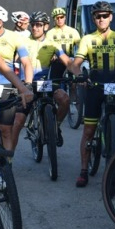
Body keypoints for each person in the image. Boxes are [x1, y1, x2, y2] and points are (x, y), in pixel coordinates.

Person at [69, 0, 115, 187]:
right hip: (94, 87)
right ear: (93, 18)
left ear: (111, 17)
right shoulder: (87, 39)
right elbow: (75, 65)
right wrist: (79, 76)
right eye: (97, 16)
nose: (101, 19)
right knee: (89, 131)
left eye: (105, 15)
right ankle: (84, 170)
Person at [0, 4, 33, 151]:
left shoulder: (14, 37)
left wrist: (27, 85)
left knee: (6, 131)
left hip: (7, 88)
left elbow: (27, 63)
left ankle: (7, 168)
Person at [14, 11, 69, 147]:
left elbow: (68, 61)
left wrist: (79, 74)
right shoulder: (23, 42)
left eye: (38, 25)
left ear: (46, 26)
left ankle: (56, 126)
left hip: (45, 82)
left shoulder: (52, 44)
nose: (34, 28)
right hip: (27, 83)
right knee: (18, 121)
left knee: (64, 99)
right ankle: (8, 157)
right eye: (33, 25)